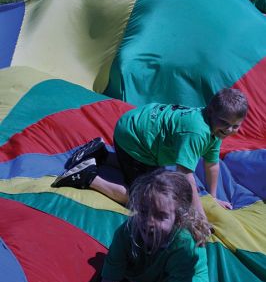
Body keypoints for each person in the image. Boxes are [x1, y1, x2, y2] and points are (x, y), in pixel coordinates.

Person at [52, 88, 248, 217]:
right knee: (148, 201)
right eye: (225, 123)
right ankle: (88, 176)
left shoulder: (215, 129)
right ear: (211, 111)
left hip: (138, 129)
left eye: (235, 126)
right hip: (135, 138)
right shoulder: (197, 131)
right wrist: (200, 217)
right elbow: (185, 173)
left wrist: (213, 197)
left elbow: (212, 164)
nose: (229, 130)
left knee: (153, 174)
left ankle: (101, 154)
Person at [93, 169, 212, 282]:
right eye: (143, 211)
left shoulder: (183, 246)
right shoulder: (126, 234)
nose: (149, 222)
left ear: (178, 218)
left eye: (160, 215)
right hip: (141, 274)